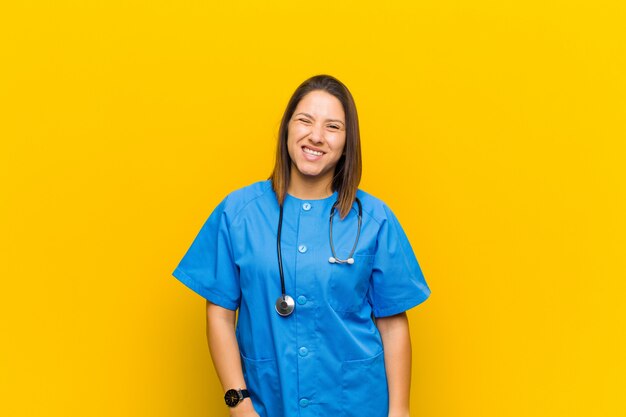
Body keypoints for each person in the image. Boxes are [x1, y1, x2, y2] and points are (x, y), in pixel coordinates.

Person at [172, 74, 431, 417]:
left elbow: (393, 322)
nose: (316, 136)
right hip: (268, 401)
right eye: (305, 121)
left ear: (347, 142)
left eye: (333, 127)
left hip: (356, 403)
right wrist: (238, 402)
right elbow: (219, 312)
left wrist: (400, 411)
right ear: (287, 129)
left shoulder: (374, 219)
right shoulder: (238, 213)